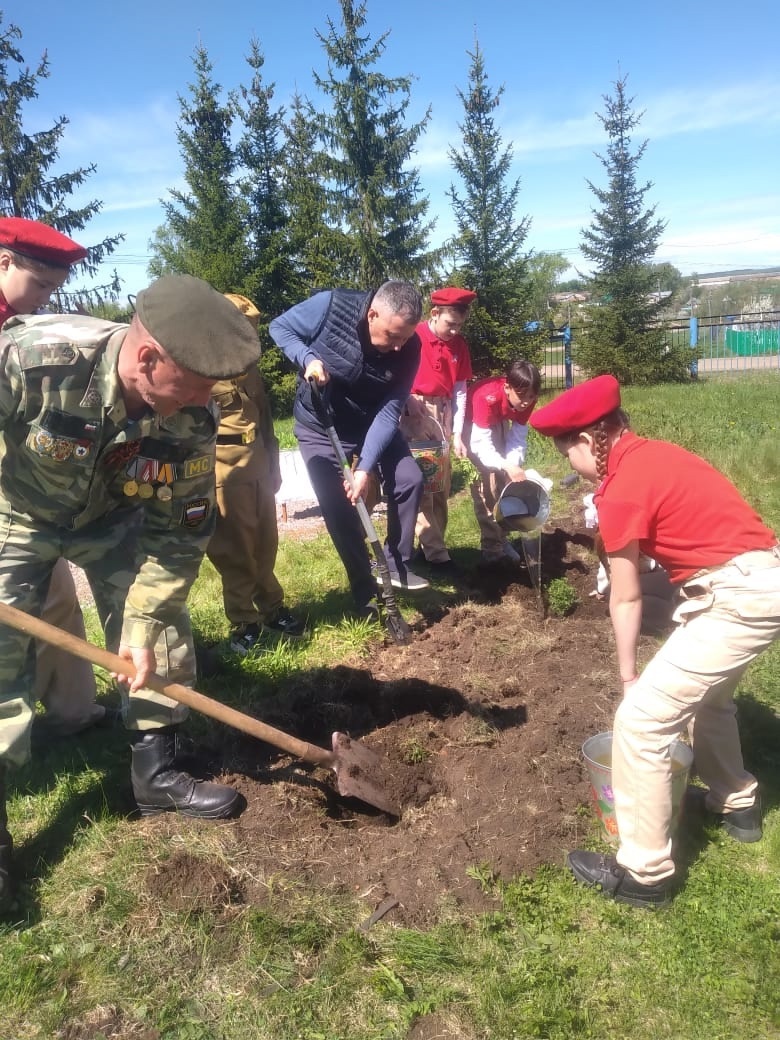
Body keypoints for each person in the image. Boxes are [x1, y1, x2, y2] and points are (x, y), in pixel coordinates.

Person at [0, 273, 261, 912]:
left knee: (161, 629)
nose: (201, 401)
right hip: (19, 513)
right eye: (191, 385)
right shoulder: (35, 359)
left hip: (115, 520)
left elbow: (182, 533)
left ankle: (157, 773)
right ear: (147, 359)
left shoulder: (192, 413)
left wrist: (141, 626)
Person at [530, 374, 780, 909]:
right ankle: (736, 802)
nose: (569, 464)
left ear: (587, 440)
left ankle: (644, 875)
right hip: (762, 579)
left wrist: (628, 679)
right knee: (711, 700)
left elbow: (625, 597)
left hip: (735, 600)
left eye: (565, 452)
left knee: (641, 723)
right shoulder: (660, 455)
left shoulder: (619, 489)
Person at [0, 216, 105, 736]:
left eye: (53, 289)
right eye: (40, 284)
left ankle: (74, 711)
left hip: (21, 486)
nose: (45, 298)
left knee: (56, 594)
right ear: (4, 262)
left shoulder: (21, 326)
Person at [269, 281, 428, 617]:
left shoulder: (410, 346)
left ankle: (395, 564)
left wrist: (364, 467)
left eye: (405, 337)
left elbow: (391, 409)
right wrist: (308, 358)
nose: (399, 346)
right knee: (340, 507)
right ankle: (364, 590)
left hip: (373, 420)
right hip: (321, 422)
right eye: (393, 335)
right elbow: (279, 327)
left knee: (410, 479)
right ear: (372, 315)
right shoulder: (330, 306)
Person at [206, 293, 304, 655]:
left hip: (258, 462)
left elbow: (264, 419)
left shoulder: (250, 366)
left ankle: (272, 609)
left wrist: (274, 465)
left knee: (266, 542)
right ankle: (244, 622)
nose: (249, 337)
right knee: (235, 549)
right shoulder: (199, 367)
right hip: (223, 467)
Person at [405, 287, 475, 573]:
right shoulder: (414, 337)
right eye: (451, 324)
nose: (455, 331)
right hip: (415, 411)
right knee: (424, 481)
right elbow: (396, 375)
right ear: (434, 313)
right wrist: (407, 400)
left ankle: (430, 546)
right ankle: (436, 554)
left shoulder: (459, 345)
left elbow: (460, 390)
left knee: (441, 485)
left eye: (460, 325)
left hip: (443, 412)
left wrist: (457, 432)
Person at [466, 360, 541, 564]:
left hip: (498, 420)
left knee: (503, 484)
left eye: (531, 397)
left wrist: (512, 465)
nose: (526, 402)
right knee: (487, 487)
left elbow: (517, 437)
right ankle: (492, 548)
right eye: (522, 396)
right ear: (507, 388)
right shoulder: (486, 397)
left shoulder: (527, 398)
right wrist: (506, 465)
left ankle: (502, 537)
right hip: (474, 426)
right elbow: (481, 444)